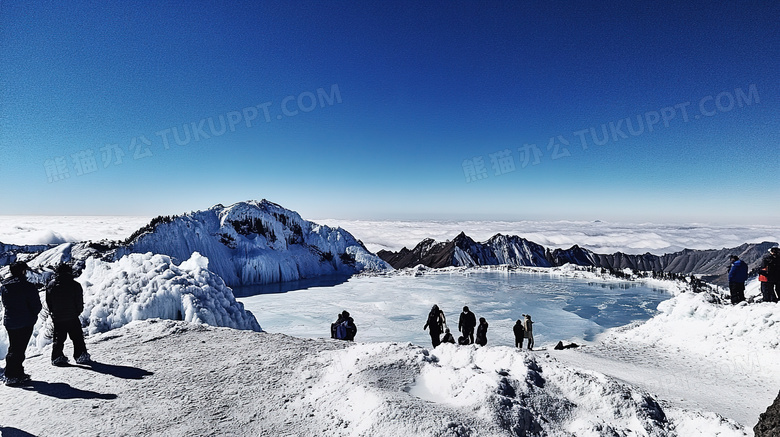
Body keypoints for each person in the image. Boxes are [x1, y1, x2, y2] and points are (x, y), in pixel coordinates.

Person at [0, 262, 42, 385]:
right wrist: (33, 315)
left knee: (14, 347)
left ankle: (15, 373)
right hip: (25, 321)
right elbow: (36, 305)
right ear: (23, 271)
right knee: (19, 349)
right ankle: (12, 376)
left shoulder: (4, 286)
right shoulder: (28, 286)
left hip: (10, 321)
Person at [46, 263, 90, 365]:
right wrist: (77, 312)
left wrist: (53, 312)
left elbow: (49, 301)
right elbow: (79, 301)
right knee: (77, 337)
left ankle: (57, 356)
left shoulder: (51, 285)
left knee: (59, 338)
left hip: (58, 317)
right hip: (72, 316)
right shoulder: (75, 285)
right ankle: (80, 355)